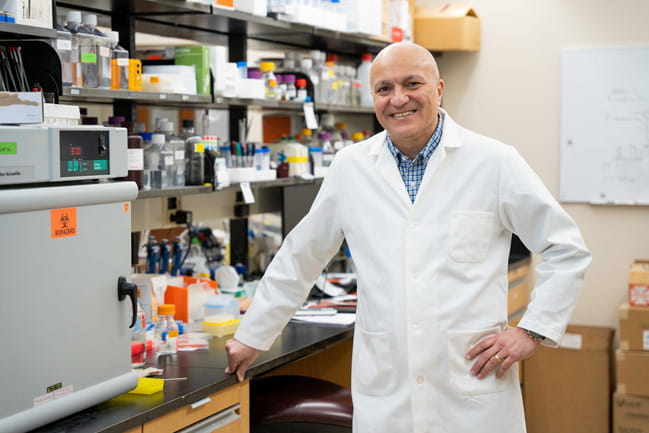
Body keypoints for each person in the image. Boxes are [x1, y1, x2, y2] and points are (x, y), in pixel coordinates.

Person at [225, 42, 591, 433]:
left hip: (472, 387)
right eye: (384, 89)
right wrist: (253, 336)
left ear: (439, 89)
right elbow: (302, 256)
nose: (398, 99)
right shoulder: (351, 167)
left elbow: (566, 249)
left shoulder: (494, 161)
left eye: (412, 83)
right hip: (388, 389)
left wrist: (531, 330)